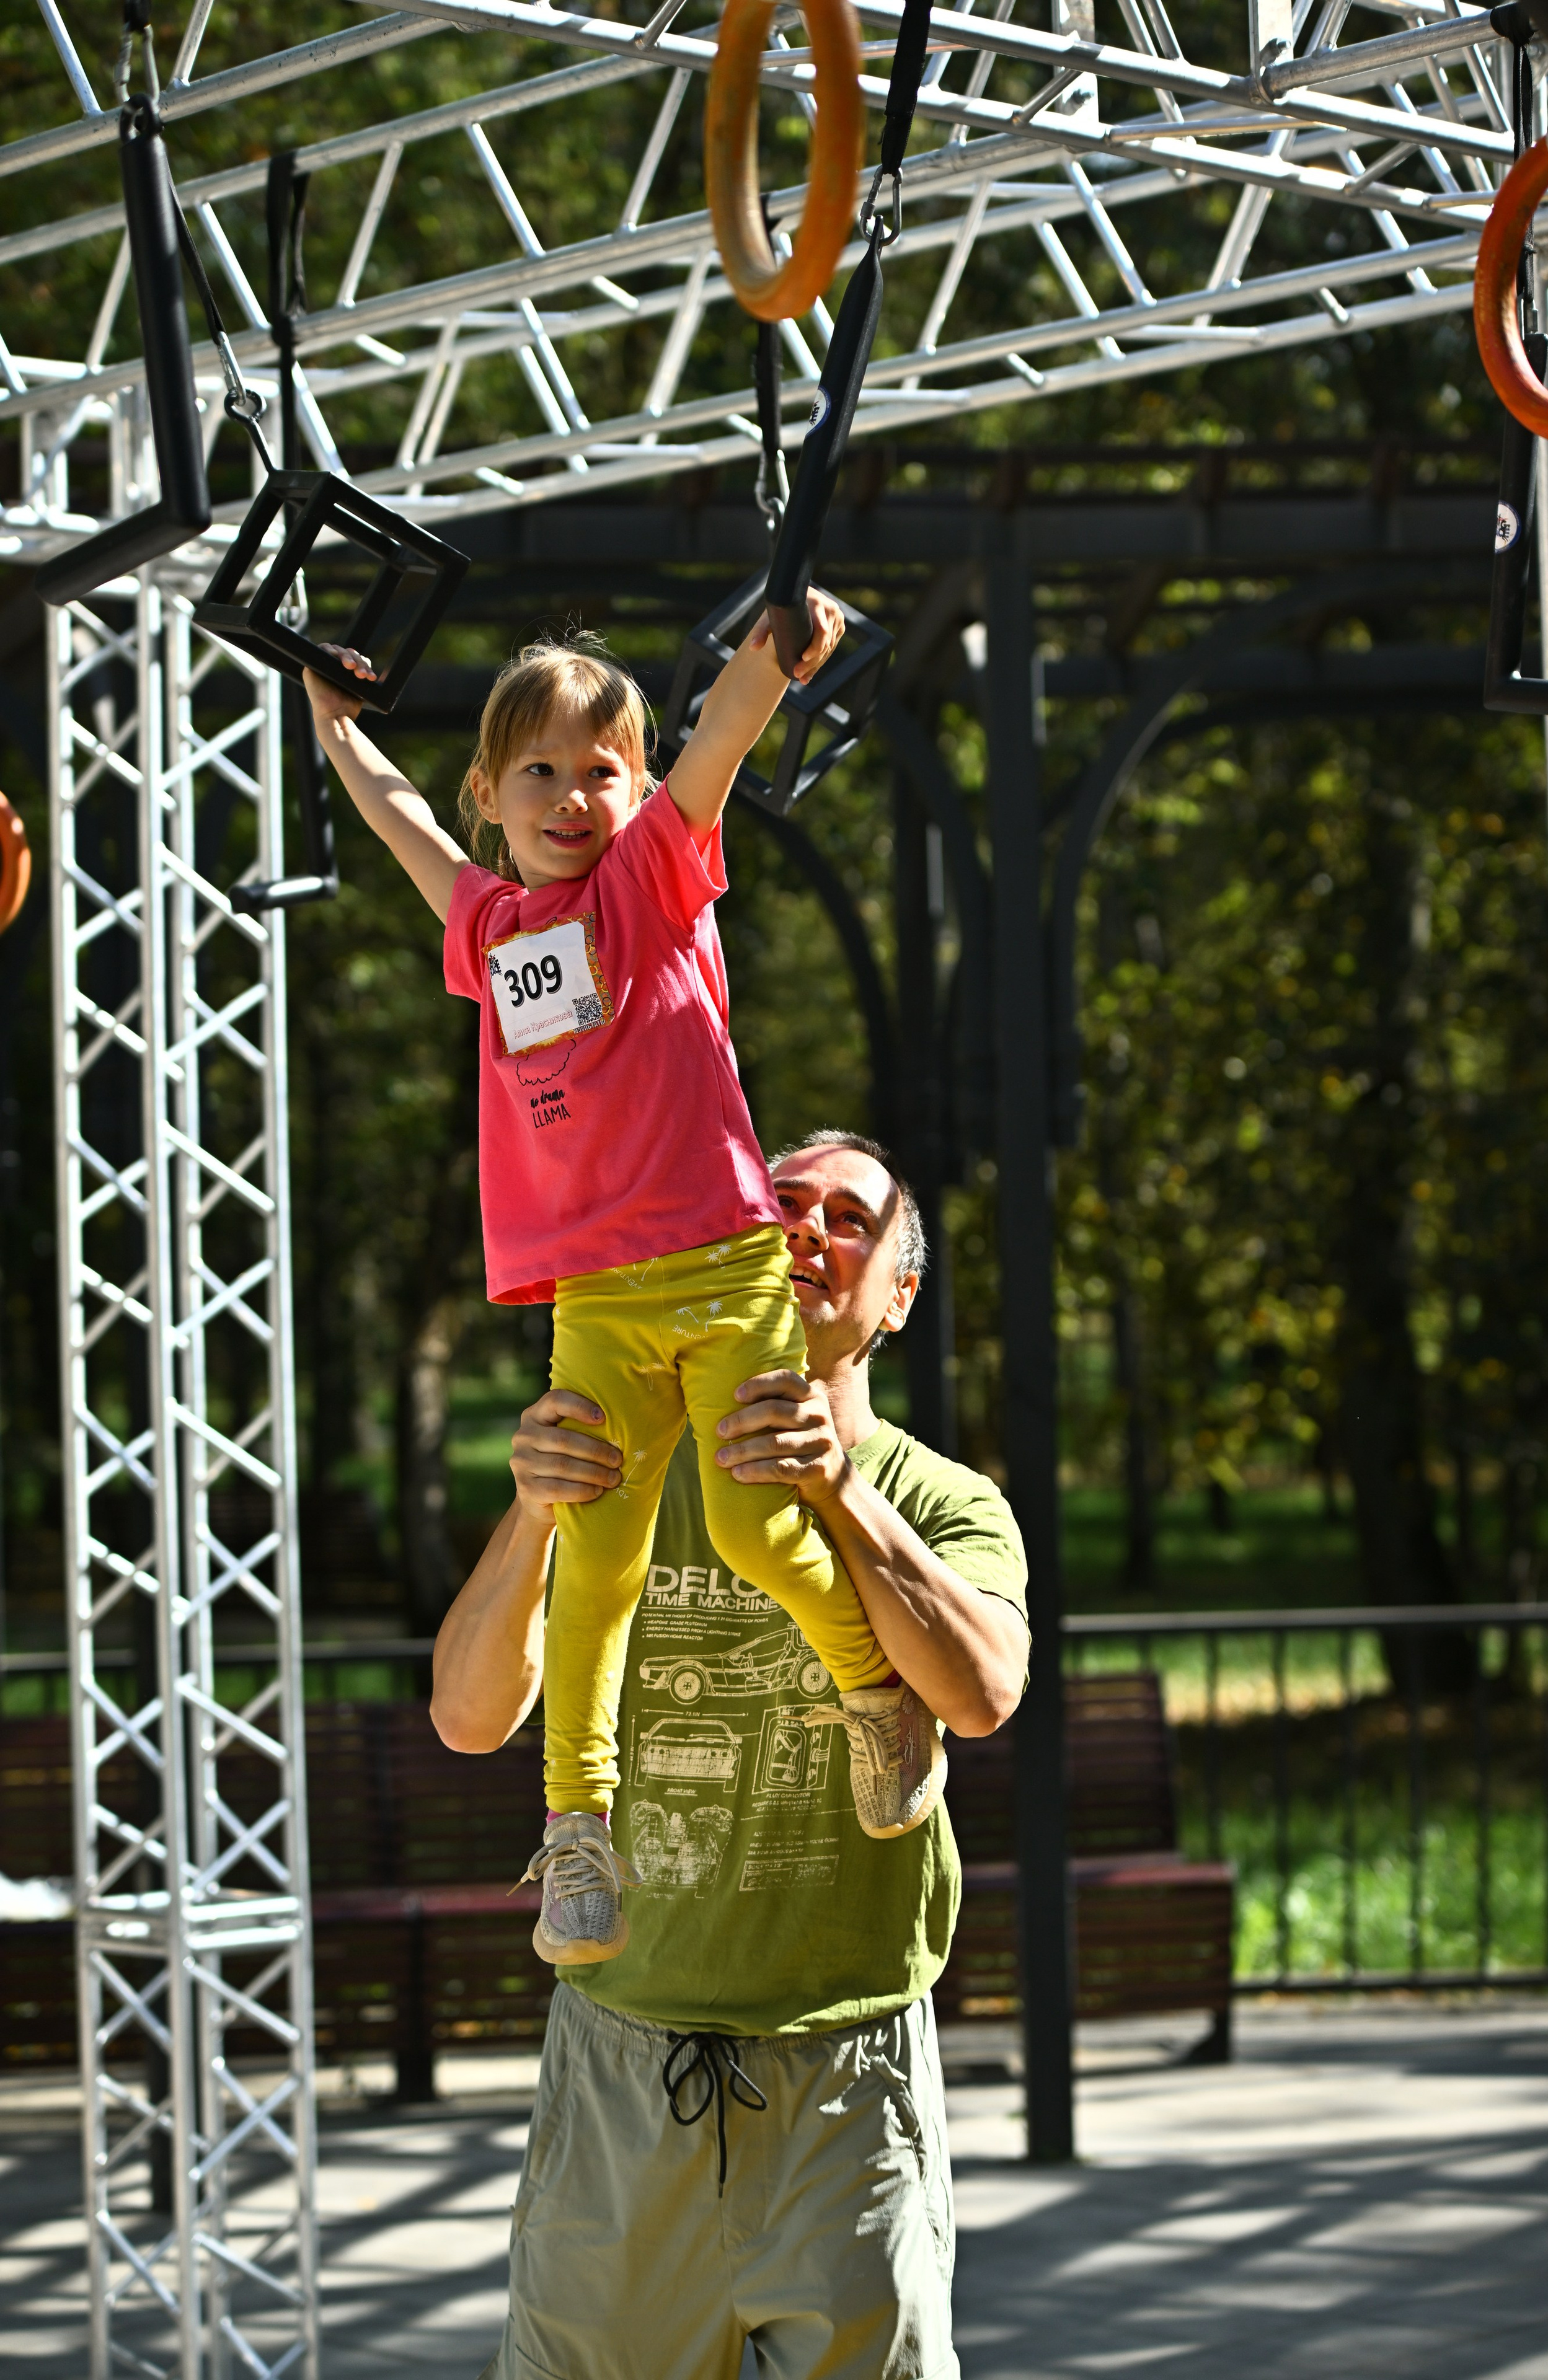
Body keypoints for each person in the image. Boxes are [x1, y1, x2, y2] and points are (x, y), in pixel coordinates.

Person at [304, 618, 942, 1972]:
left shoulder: (651, 876)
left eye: (601, 772)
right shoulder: (489, 925)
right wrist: (337, 731)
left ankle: (876, 1696)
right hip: (596, 1299)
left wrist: (773, 653)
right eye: (538, 773)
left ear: (636, 793)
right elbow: (403, 824)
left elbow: (719, 743)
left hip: (721, 1269)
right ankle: (577, 1830)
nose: (570, 797)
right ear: (491, 795)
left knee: (759, 1529)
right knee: (597, 1559)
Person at [432, 1132, 1029, 2380]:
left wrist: (839, 1493)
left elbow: (980, 1696)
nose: (808, 1228)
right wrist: (533, 1512)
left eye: (850, 1220)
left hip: (847, 2078)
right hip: (623, 2066)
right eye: (783, 1202)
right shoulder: (619, 1472)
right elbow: (469, 1717)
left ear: (898, 1298)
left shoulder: (942, 1500)